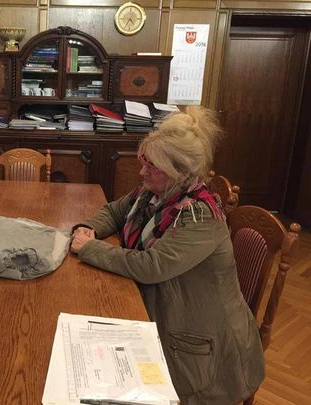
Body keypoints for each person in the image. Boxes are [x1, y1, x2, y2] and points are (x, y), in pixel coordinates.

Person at [70, 106, 264, 404]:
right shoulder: (156, 192)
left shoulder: (200, 215)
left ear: (181, 171)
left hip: (204, 343)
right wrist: (88, 229)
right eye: (144, 162)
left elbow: (152, 266)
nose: (142, 172)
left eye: (152, 166)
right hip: (167, 306)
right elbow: (114, 211)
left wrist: (89, 247)